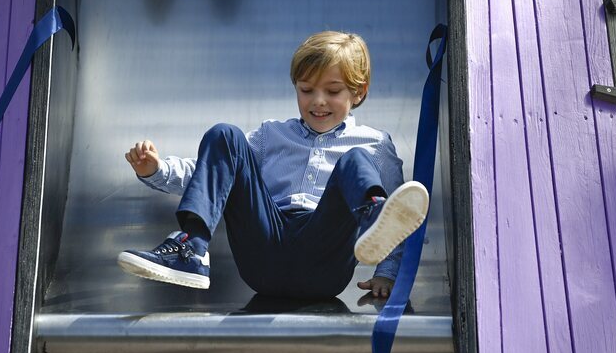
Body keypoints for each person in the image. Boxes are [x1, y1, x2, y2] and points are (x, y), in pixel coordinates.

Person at [118, 31, 428, 299]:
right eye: (306, 90)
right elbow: (213, 175)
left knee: (355, 161)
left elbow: (400, 215)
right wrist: (156, 171)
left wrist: (387, 273)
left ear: (358, 92)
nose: (318, 101)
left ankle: (370, 218)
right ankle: (193, 249)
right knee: (224, 135)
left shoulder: (374, 143)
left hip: (324, 258)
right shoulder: (271, 135)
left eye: (332, 92)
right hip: (264, 250)